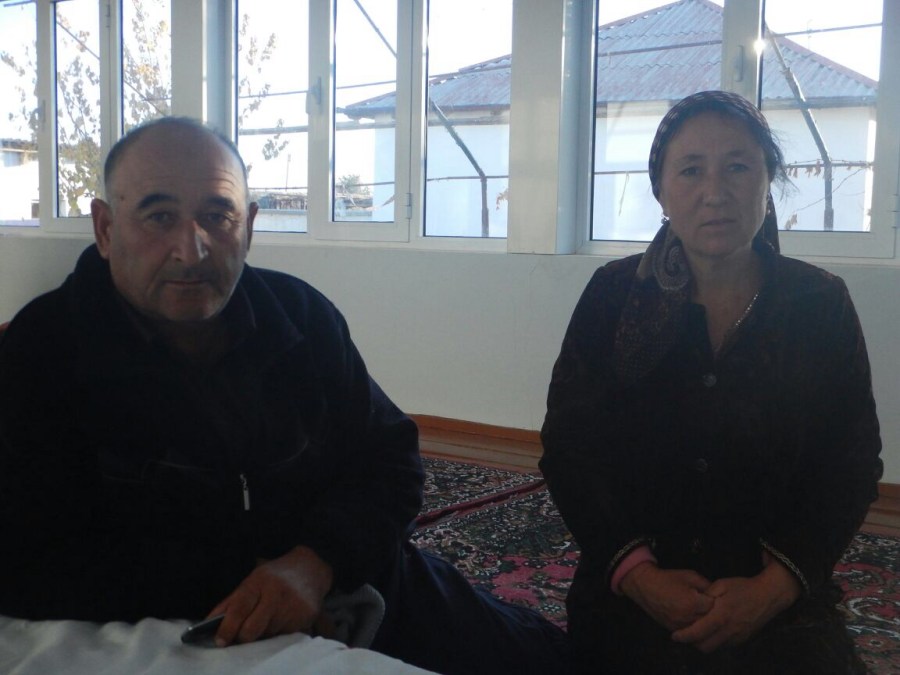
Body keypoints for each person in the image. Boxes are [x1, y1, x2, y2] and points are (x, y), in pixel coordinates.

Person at [0, 116, 568, 675]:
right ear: (105, 229)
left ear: (248, 226)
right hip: (196, 625)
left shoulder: (299, 318)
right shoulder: (42, 354)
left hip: (359, 582)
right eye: (159, 216)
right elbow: (27, 555)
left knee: (549, 657)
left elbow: (390, 460)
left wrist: (313, 565)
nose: (191, 250)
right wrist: (253, 586)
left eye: (216, 216)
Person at [540, 91, 883, 674]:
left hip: (778, 597)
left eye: (738, 167)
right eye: (691, 170)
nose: (715, 192)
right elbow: (571, 450)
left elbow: (850, 463)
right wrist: (640, 577)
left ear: (768, 181)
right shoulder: (613, 297)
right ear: (660, 189)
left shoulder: (819, 303)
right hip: (635, 593)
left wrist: (773, 589)